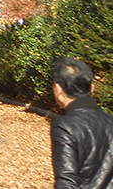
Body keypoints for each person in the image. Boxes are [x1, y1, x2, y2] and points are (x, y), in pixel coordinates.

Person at [51, 56, 113, 189]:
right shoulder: (110, 121)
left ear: (58, 89)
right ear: (92, 88)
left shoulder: (65, 126)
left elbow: (67, 182)